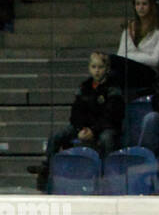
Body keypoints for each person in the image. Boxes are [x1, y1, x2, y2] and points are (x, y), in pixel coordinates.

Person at [30, 51, 123, 188]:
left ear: (107, 68)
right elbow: (76, 113)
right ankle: (47, 170)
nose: (97, 71)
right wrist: (81, 128)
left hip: (104, 127)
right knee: (56, 136)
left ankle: (107, 176)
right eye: (93, 67)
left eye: (100, 67)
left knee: (106, 139)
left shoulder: (113, 89)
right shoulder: (84, 87)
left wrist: (93, 130)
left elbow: (111, 115)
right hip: (84, 127)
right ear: (89, 68)